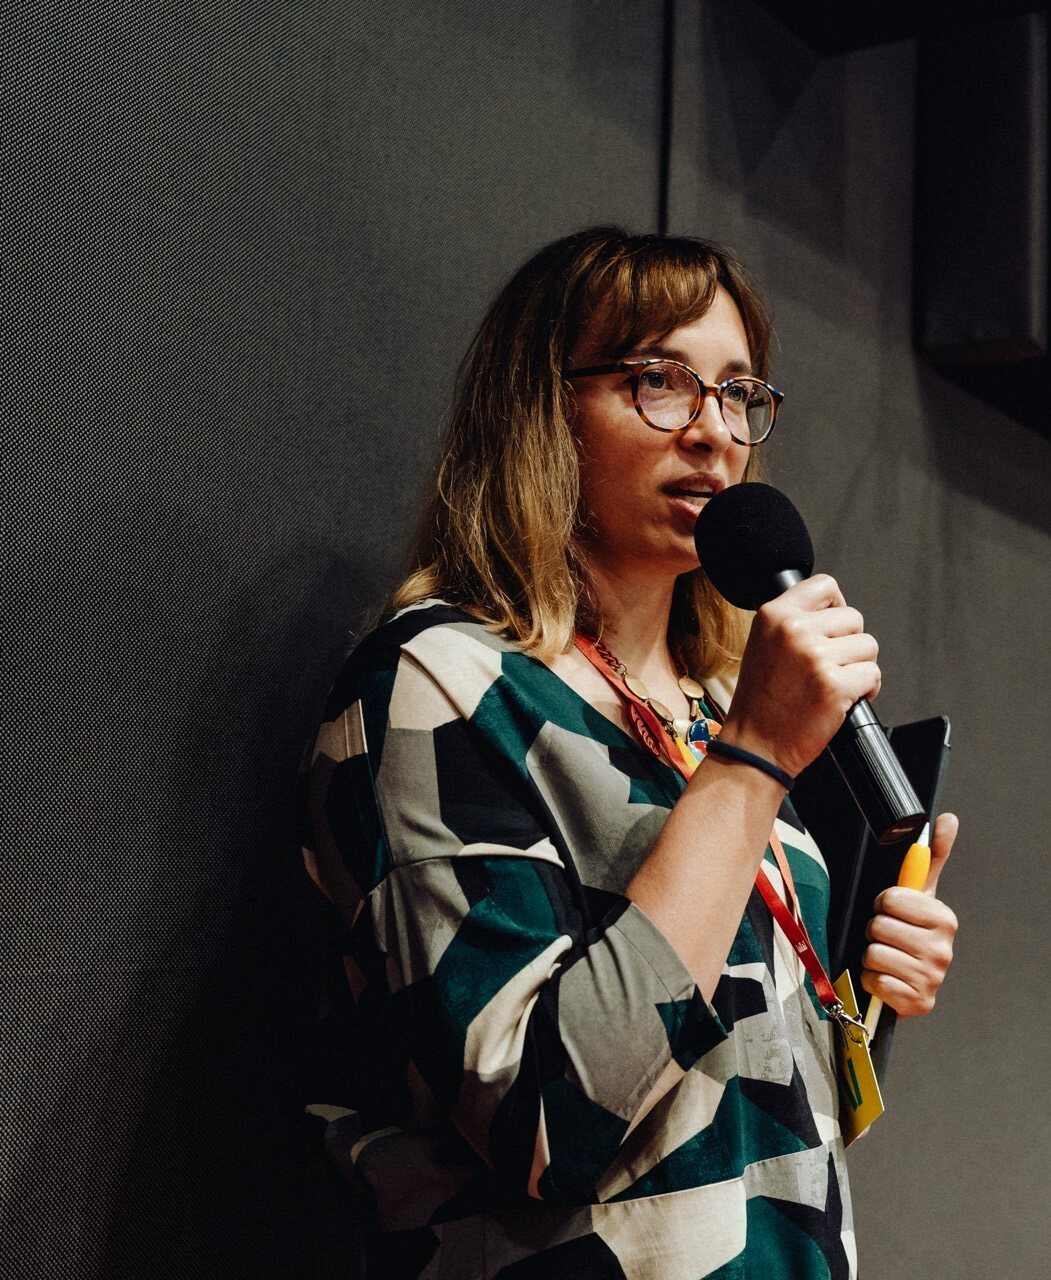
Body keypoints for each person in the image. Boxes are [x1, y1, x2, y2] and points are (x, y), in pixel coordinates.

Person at [300, 227, 960, 1278]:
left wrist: (867, 995)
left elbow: (747, 1086)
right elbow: (541, 1117)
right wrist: (751, 760)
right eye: (661, 381)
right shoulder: (442, 684)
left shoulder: (716, 703)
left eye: (739, 392)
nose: (714, 432)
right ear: (543, 410)